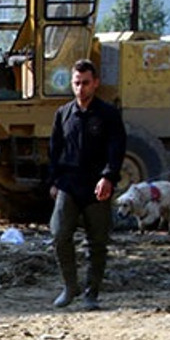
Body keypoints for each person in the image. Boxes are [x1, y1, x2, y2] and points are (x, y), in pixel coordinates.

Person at [47, 58, 125, 311]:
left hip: (96, 186)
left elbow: (117, 149)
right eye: (76, 83)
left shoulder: (108, 115)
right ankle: (70, 286)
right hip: (69, 184)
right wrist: (54, 181)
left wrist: (109, 177)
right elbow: (54, 150)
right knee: (59, 234)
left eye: (86, 83)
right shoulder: (64, 114)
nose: (81, 88)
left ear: (96, 84)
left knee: (98, 242)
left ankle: (92, 293)